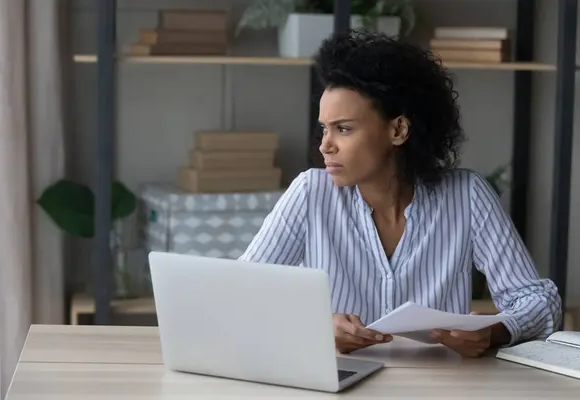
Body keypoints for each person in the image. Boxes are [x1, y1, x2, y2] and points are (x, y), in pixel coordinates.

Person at [239, 30, 562, 358]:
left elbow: (540, 302)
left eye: (344, 128)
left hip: (441, 387)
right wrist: (315, 326)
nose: (325, 145)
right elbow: (238, 295)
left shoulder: (467, 196)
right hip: (341, 386)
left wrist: (493, 331)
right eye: (325, 128)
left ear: (398, 130)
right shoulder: (310, 194)